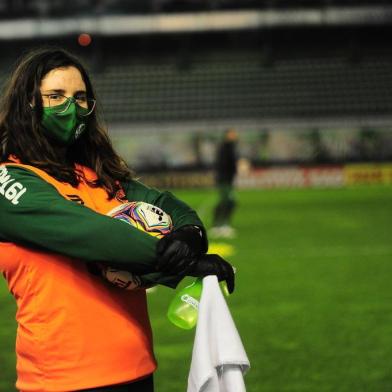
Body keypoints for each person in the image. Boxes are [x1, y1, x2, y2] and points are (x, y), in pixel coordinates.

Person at [0, 48, 235, 392]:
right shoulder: (9, 179)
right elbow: (89, 233)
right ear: (27, 104)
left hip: (136, 367)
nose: (70, 108)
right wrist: (183, 263)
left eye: (80, 98)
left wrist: (189, 235)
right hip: (61, 378)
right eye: (54, 96)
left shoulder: (97, 174)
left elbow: (169, 205)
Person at [210, 128, 239, 238]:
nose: (235, 135)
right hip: (224, 179)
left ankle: (220, 225)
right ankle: (220, 225)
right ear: (227, 135)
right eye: (232, 133)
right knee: (228, 201)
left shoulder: (230, 147)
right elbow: (223, 164)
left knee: (228, 201)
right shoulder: (225, 147)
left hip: (227, 179)